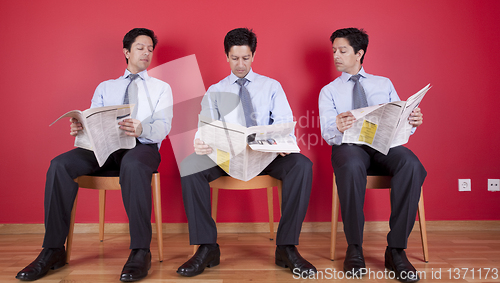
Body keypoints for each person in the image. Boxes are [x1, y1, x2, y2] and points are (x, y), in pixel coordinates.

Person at [16, 28, 173, 282]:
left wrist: (141, 128)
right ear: (126, 52)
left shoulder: (161, 88)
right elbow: (93, 120)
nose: (146, 53)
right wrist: (80, 127)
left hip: (141, 148)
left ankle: (140, 251)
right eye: (141, 48)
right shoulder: (106, 87)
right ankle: (53, 249)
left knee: (133, 166)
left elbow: (164, 127)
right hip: (103, 149)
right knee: (60, 164)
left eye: (150, 49)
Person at [176, 28, 316, 277]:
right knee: (190, 165)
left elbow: (284, 123)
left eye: (246, 58)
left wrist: (283, 143)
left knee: (301, 165)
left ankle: (286, 247)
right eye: (234, 58)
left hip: (265, 157)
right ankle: (207, 248)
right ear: (226, 57)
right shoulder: (215, 91)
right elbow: (204, 129)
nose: (240, 65)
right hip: (226, 157)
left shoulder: (271, 87)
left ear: (253, 56)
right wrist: (201, 143)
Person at [318, 28, 427, 282]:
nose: (336, 55)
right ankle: (354, 247)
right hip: (349, 147)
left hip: (383, 146)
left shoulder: (383, 83)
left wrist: (412, 120)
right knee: (352, 165)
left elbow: (399, 122)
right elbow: (327, 132)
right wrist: (338, 126)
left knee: (411, 163)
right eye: (334, 50)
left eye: (342, 50)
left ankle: (396, 250)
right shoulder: (329, 91)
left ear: (359, 53)